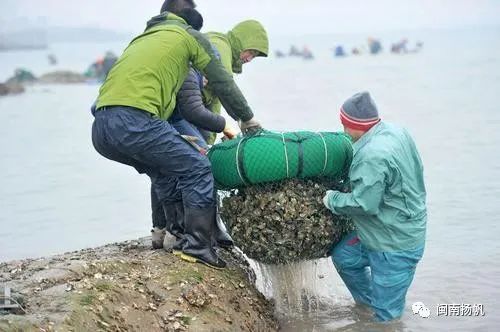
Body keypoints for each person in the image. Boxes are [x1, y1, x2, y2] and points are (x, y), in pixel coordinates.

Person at [91, 8, 262, 269]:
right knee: (198, 167)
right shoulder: (188, 39)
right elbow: (220, 85)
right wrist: (246, 119)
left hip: (101, 129)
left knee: (164, 171)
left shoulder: (144, 40)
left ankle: (174, 233)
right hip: (134, 121)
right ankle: (196, 246)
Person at [323, 92, 427, 321]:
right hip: (383, 229)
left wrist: (331, 199)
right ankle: (367, 308)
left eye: (344, 125)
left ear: (352, 124)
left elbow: (364, 204)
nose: (343, 132)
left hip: (395, 245)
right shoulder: (398, 132)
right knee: (345, 257)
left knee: (387, 319)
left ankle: (381, 313)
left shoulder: (372, 155)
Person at [202, 20, 269, 144]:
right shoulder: (220, 46)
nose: (249, 59)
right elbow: (225, 87)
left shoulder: (225, 55)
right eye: (251, 52)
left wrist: (209, 143)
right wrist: (247, 118)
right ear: (242, 42)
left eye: (253, 57)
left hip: (191, 109)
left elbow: (215, 103)